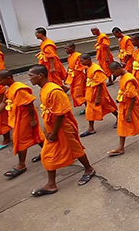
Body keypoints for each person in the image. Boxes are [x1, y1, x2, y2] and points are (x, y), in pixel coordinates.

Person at [28, 64, 95, 197]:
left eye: (31, 76)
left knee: (74, 149)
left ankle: (89, 169)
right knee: (48, 155)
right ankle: (51, 184)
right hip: (52, 128)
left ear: (40, 75)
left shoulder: (54, 91)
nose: (29, 79)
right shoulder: (45, 89)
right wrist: (46, 129)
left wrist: (54, 132)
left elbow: (60, 114)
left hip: (62, 128)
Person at [0, 70, 43, 178]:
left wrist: (32, 120)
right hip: (17, 117)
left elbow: (29, 104)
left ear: (9, 78)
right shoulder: (8, 89)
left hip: (25, 117)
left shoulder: (19, 89)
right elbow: (4, 102)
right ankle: (48, 152)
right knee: (36, 137)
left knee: (20, 140)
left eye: (0, 80)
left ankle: (21, 165)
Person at [107, 62, 139, 156]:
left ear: (119, 68)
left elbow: (132, 97)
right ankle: (121, 147)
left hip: (132, 105)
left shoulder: (129, 79)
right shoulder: (123, 77)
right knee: (122, 125)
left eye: (113, 72)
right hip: (123, 104)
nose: (112, 74)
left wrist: (128, 113)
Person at [79, 54, 118, 136]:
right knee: (89, 110)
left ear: (89, 59)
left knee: (107, 106)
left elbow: (100, 83)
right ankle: (91, 128)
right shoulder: (88, 68)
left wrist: (98, 97)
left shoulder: (95, 69)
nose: (81, 62)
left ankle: (119, 117)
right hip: (91, 92)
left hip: (98, 93)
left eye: (82, 61)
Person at [64, 43, 86, 114]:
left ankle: (89, 107)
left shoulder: (78, 56)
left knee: (79, 94)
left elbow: (84, 66)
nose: (65, 50)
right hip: (73, 78)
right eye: (65, 48)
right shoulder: (70, 56)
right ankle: (87, 107)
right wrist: (66, 76)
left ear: (72, 48)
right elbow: (70, 67)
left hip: (79, 78)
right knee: (75, 93)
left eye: (67, 48)